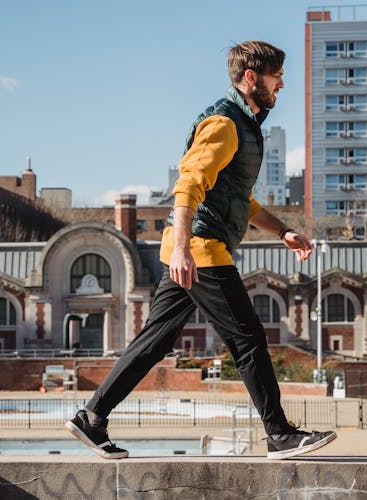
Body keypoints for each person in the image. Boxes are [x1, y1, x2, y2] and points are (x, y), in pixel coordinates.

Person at [66, 40, 336, 460]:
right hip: (200, 249)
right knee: (248, 339)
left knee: (155, 341)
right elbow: (188, 183)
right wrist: (182, 251)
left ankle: (92, 418)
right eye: (275, 76)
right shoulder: (225, 124)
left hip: (191, 246)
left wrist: (282, 231)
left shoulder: (244, 125)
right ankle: (279, 434)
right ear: (251, 78)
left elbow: (238, 201)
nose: (281, 83)